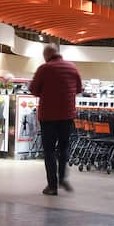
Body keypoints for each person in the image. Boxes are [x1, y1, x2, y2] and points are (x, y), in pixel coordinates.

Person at [29, 43, 82, 196]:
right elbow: (78, 89)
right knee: (64, 148)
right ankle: (63, 177)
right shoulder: (72, 68)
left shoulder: (44, 69)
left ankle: (52, 186)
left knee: (49, 151)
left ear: (46, 55)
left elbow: (34, 89)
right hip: (67, 116)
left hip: (49, 117)